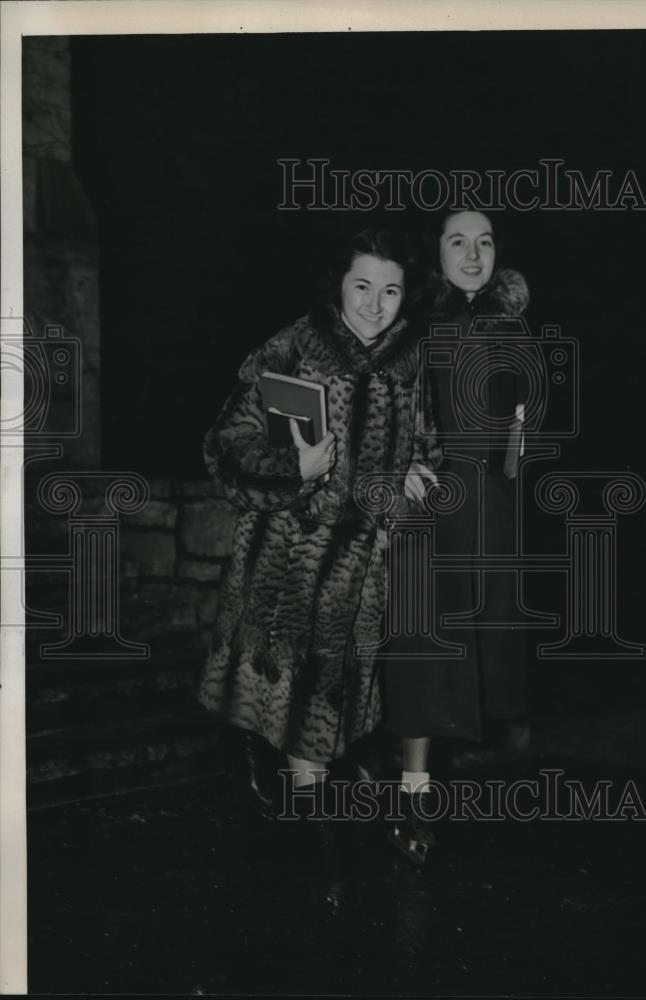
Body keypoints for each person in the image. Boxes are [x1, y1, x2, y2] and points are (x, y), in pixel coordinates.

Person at [197, 227, 439, 903]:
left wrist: (419, 465)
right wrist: (291, 467)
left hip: (365, 571)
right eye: (362, 286)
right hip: (286, 568)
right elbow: (224, 446)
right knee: (299, 710)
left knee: (330, 709)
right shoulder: (294, 344)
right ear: (339, 286)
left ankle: (300, 815)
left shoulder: (411, 358)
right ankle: (315, 847)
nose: (375, 304)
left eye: (390, 290)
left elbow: (428, 439)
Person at [383, 209, 531, 866]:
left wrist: (522, 442)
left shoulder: (514, 326)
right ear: (435, 253)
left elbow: (525, 423)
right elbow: (381, 404)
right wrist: (400, 462)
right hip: (429, 505)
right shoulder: (412, 324)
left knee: (485, 647)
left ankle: (461, 775)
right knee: (425, 648)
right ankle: (411, 793)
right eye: (457, 242)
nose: (473, 254)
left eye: (485, 242)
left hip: (491, 509)